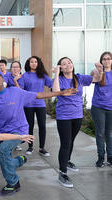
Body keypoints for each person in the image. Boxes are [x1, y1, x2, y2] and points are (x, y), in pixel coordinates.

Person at [52, 57, 102, 188]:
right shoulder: (60, 79)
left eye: (69, 62)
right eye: (64, 64)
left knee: (71, 141)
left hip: (77, 115)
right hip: (64, 116)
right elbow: (55, 91)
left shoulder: (79, 78)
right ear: (60, 67)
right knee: (65, 143)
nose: (67, 65)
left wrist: (99, 70)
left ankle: (67, 161)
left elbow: (97, 79)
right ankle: (62, 173)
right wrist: (56, 74)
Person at [22, 56, 52, 156]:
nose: (34, 63)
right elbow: (21, 89)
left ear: (38, 63)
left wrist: (57, 74)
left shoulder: (42, 75)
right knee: (30, 126)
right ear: (28, 63)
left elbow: (51, 84)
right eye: (32, 62)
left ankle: (42, 148)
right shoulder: (25, 75)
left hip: (40, 104)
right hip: (28, 105)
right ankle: (30, 147)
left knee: (42, 126)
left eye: (35, 62)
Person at [90, 52, 112, 168]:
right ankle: (101, 158)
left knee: (109, 134)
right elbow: (94, 81)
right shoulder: (97, 72)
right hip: (98, 107)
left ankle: (110, 157)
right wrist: (100, 70)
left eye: (109, 59)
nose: (107, 61)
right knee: (100, 133)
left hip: (111, 108)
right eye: (104, 59)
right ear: (101, 61)